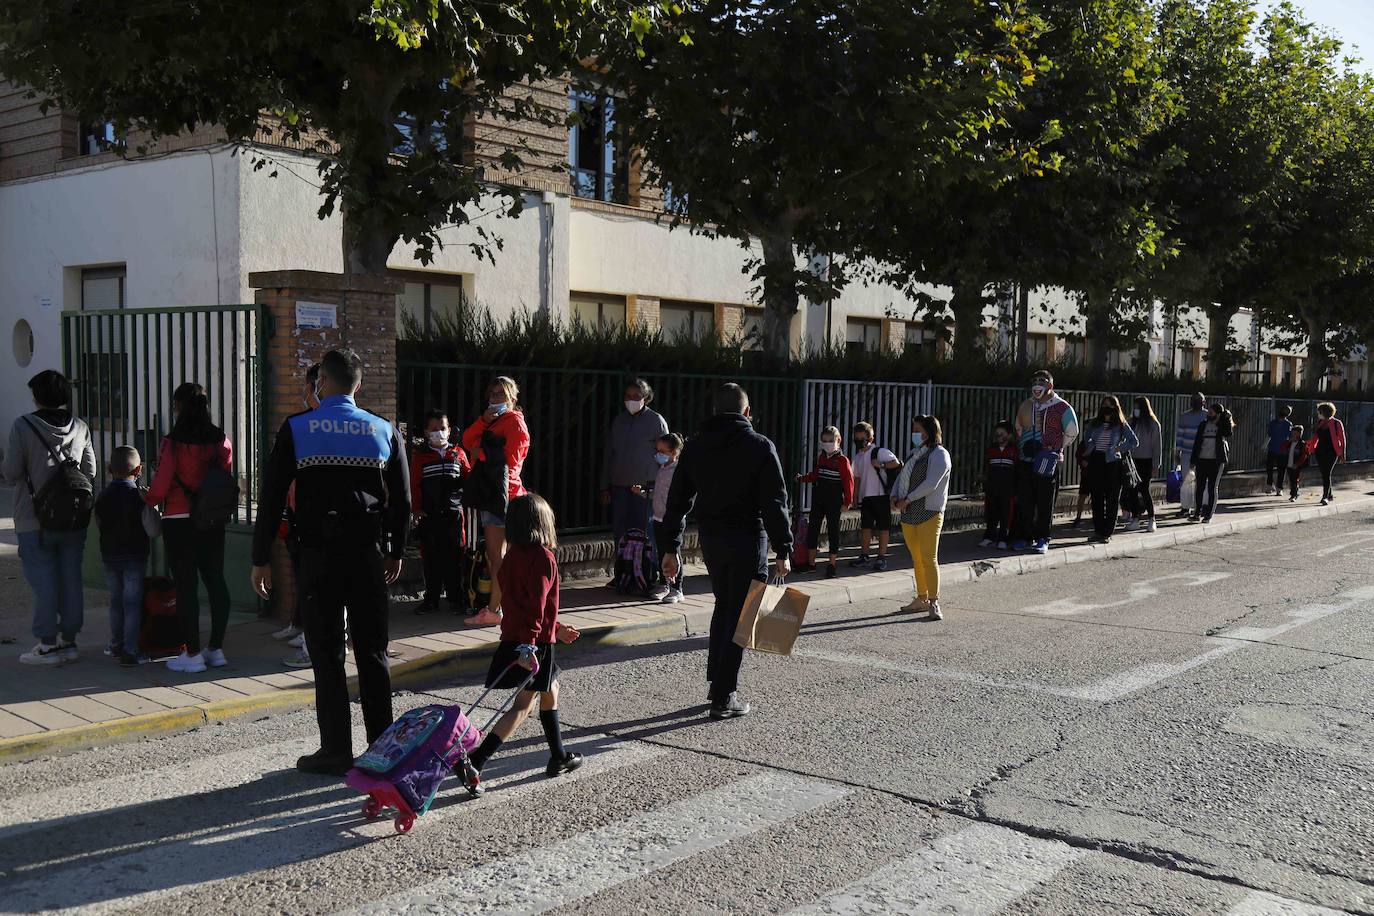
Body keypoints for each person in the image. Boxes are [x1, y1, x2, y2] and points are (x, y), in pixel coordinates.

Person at [250, 348, 410, 776]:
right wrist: (396, 550)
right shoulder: (383, 429)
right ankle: (381, 749)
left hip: (318, 554)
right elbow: (403, 502)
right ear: (359, 385)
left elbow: (271, 496)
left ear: (323, 383)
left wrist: (261, 557)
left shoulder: (298, 428)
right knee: (373, 652)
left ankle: (336, 749)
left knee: (326, 653)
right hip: (368, 553)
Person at [658, 383, 791, 720]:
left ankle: (717, 680)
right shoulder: (760, 446)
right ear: (746, 412)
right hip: (749, 536)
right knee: (744, 615)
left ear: (716, 411)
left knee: (725, 607)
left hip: (713, 538)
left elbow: (677, 501)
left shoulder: (696, 446)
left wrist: (670, 546)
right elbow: (775, 501)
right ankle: (724, 693)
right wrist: (784, 548)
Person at [460, 494, 584, 792]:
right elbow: (536, 606)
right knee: (522, 707)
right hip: (533, 644)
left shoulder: (511, 557)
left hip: (520, 637)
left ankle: (558, 756)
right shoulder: (543, 558)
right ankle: (477, 760)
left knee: (550, 688)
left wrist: (557, 627)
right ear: (543, 523)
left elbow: (523, 606)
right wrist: (530, 646)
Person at [4, 370, 96, 665]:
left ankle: (47, 644)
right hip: (73, 518)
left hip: (34, 518)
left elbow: (12, 472)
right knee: (71, 578)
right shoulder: (80, 426)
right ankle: (69, 641)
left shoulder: (23, 426)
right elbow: (90, 470)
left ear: (38, 396)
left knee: (43, 581)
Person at [145, 382, 233, 674]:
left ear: (178, 407)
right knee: (215, 580)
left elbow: (161, 484)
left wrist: (147, 498)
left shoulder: (172, 442)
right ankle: (216, 648)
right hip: (211, 519)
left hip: (179, 519)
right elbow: (225, 474)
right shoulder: (220, 439)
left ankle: (192, 652)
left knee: (186, 587)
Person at [462, 376, 531, 628]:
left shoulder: (514, 423)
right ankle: (504, 606)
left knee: (499, 557)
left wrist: (480, 453)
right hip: (492, 494)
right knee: (499, 557)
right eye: (492, 394)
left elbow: (511, 465)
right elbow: (467, 441)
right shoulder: (494, 421)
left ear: (513, 398)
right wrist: (483, 422)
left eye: (501, 394)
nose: (495, 399)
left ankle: (495, 609)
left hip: (505, 496)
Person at [273, 362, 321, 667]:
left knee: (318, 587)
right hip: (300, 514)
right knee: (305, 579)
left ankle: (312, 646)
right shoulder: (299, 424)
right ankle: (304, 632)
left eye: (314, 387)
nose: (308, 393)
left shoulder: (331, 425)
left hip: (322, 521)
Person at [95, 446, 151, 667]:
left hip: (110, 554)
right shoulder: (138, 496)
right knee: (132, 603)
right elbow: (152, 529)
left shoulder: (103, 496)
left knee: (116, 601)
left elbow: (99, 524)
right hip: (135, 555)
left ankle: (116, 644)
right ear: (139, 470)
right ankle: (131, 650)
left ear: (109, 469)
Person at [1012, 370, 1079, 555]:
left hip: (1047, 461)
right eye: (1035, 381)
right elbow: (1018, 427)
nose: (1037, 385)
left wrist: (1057, 448)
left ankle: (1043, 537)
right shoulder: (1027, 405)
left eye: (1042, 381)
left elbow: (1072, 432)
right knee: (1025, 501)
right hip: (1026, 460)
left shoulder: (1062, 407)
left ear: (1050, 385)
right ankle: (1025, 536)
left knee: (1045, 501)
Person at [411, 409, 471, 615]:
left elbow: (468, 478)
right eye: (434, 429)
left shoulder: (458, 454)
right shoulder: (420, 457)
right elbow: (414, 484)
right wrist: (416, 509)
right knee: (431, 558)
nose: (439, 433)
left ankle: (456, 599)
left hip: (454, 515)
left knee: (455, 557)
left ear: (449, 429)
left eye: (442, 429)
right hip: (430, 515)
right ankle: (431, 600)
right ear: (426, 432)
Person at [892, 415, 951, 619]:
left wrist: (907, 499)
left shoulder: (940, 455)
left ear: (927, 432)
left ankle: (934, 602)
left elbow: (931, 484)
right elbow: (902, 476)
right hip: (908, 513)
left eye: (917, 429)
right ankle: (921, 598)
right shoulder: (914, 453)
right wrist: (894, 496)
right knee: (917, 558)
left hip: (929, 512)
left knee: (928, 558)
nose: (914, 434)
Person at [600, 379, 669, 552]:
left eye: (635, 396)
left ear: (645, 398)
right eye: (628, 396)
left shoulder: (656, 421)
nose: (631, 400)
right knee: (620, 531)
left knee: (645, 530)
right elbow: (610, 454)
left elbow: (667, 454)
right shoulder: (619, 421)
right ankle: (623, 571)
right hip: (620, 486)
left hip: (645, 486)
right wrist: (604, 486)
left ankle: (647, 571)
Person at [795, 426, 854, 579]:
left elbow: (849, 482)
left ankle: (832, 564)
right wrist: (803, 478)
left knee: (833, 531)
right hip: (819, 500)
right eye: (824, 441)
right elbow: (816, 474)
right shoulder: (822, 457)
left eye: (830, 441)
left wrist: (847, 502)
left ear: (838, 441)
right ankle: (811, 563)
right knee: (813, 529)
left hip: (834, 502)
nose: (827, 444)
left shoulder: (842, 460)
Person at [1080, 396, 1139, 544]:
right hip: (1096, 461)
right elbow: (1086, 438)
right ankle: (1098, 531)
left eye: (1110, 406)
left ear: (1115, 408)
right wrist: (1090, 447)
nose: (1107, 409)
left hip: (1112, 462)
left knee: (1112, 499)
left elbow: (1134, 441)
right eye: (1104, 405)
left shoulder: (1120, 424)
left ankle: (1107, 533)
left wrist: (1119, 448)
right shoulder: (1095, 423)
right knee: (1097, 498)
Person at [635, 432, 685, 603]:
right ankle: (665, 584)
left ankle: (677, 587)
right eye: (658, 451)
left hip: (672, 518)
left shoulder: (678, 471)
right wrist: (642, 493)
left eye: (663, 452)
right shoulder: (662, 469)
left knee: (673, 551)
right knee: (661, 551)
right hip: (658, 517)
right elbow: (658, 494)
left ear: (674, 452)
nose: (658, 455)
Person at [848, 422, 901, 571]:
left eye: (862, 438)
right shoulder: (858, 457)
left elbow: (896, 463)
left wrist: (881, 465)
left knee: (883, 527)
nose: (859, 441)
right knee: (866, 527)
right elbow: (856, 478)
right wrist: (855, 496)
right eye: (856, 438)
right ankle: (864, 555)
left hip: (881, 495)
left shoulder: (879, 452)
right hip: (866, 497)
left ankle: (881, 557)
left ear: (870, 438)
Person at [1189, 402, 1233, 523]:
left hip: (1216, 461)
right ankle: (1197, 512)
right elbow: (1197, 443)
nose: (1209, 414)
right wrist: (1193, 460)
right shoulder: (1203, 425)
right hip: (1202, 460)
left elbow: (1228, 433)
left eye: (1211, 412)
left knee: (1212, 487)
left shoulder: (1222, 426)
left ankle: (1208, 514)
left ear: (1218, 414)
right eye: (1208, 412)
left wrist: (1226, 419)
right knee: (1199, 487)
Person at [1126, 396, 1163, 532]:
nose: (1135, 410)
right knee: (1133, 490)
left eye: (1138, 407)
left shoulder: (1153, 424)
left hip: (1146, 460)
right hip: (1133, 460)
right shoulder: (1131, 422)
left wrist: (1156, 465)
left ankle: (1151, 518)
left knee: (1144, 489)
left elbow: (1157, 446)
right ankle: (1135, 518)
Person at [982, 421, 1019, 549]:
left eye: (1002, 434)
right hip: (993, 487)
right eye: (997, 434)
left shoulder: (1014, 450)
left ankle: (1004, 538)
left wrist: (1016, 488)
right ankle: (989, 536)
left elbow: (1017, 471)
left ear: (1009, 435)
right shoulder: (991, 449)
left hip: (1008, 489)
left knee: (1006, 514)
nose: (998, 436)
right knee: (991, 512)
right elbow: (987, 467)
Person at [1306, 402, 1346, 506]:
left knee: (1327, 473)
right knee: (1325, 474)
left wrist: (1342, 454)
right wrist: (1311, 448)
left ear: (1325, 412)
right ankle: (1330, 495)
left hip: (1332, 452)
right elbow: (1316, 437)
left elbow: (1342, 439)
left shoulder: (1337, 423)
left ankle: (1325, 497)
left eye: (1320, 412)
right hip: (1320, 451)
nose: (1318, 413)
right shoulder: (1320, 422)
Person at [1175, 392, 1208, 517]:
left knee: (1202, 481)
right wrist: (1177, 451)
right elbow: (1180, 435)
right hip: (1187, 452)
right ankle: (1185, 507)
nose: (1196, 402)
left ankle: (1203, 505)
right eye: (1194, 400)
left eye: (1199, 400)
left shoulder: (1207, 416)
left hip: (1203, 453)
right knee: (1186, 481)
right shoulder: (1185, 416)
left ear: (1204, 402)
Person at [1266, 405, 1294, 494]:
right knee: (1270, 468)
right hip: (1273, 448)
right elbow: (1269, 435)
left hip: (1281, 449)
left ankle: (1278, 487)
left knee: (1280, 470)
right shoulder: (1274, 423)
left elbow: (1290, 437)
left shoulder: (1288, 424)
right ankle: (1271, 485)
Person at [1284, 425, 1310, 502]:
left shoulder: (1302, 444)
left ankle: (1294, 495)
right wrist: (1288, 442)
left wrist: (1297, 464)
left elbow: (1303, 456)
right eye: (1292, 433)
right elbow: (1282, 447)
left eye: (1295, 433)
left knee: (1294, 479)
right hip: (1289, 463)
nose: (1293, 435)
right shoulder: (1290, 442)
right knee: (1291, 479)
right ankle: (1295, 492)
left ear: (1299, 434)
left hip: (1296, 465)